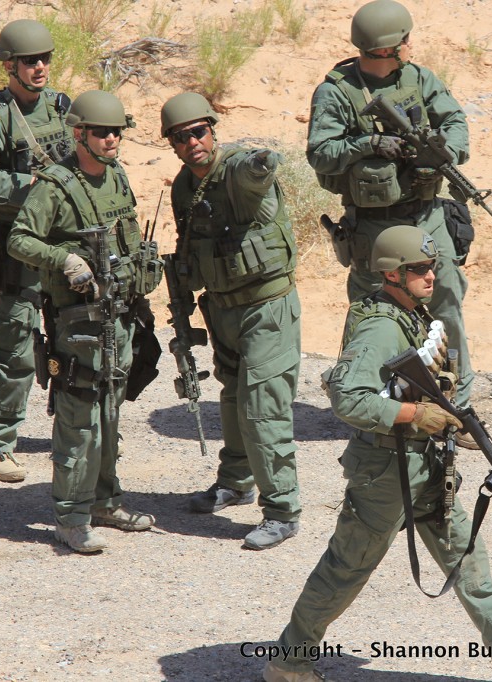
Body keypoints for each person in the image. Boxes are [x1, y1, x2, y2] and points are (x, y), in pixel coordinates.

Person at [263, 226, 492, 682]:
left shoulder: (411, 314)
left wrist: (445, 418)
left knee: (464, 553)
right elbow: (347, 397)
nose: (430, 275)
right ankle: (289, 662)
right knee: (347, 568)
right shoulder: (381, 327)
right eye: (418, 269)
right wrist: (413, 414)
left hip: (426, 463)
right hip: (386, 470)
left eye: (431, 266)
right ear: (392, 274)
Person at [8, 90, 160, 553]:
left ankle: (104, 500)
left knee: (111, 413)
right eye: (102, 131)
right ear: (80, 134)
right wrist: (64, 258)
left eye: (117, 131)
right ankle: (70, 517)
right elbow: (20, 240)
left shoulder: (117, 178)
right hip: (77, 322)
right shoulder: (54, 187)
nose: (112, 139)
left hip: (119, 317)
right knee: (78, 420)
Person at [307, 0, 475, 409]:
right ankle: (365, 399)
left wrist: (440, 153)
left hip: (425, 214)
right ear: (387, 48)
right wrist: (371, 144)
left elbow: (456, 125)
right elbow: (321, 153)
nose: (409, 45)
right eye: (404, 40)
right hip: (372, 224)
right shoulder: (337, 92)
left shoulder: (419, 78)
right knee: (371, 310)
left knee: (446, 298)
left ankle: (458, 402)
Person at [161, 92, 302, 550]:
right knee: (232, 396)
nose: (192, 143)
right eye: (180, 138)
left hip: (266, 307)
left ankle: (282, 510)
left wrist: (261, 161)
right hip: (221, 307)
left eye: (198, 132)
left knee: (263, 407)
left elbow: (253, 172)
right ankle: (236, 482)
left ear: (212, 130)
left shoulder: (237, 171)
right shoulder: (184, 186)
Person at [0, 19, 73, 483]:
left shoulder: (63, 108)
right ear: (10, 66)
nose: (40, 67)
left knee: (76, 336)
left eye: (45, 58)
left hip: (63, 243)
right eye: (30, 61)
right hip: (17, 245)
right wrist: (33, 187)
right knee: (16, 344)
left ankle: (73, 434)